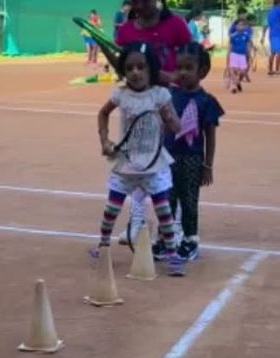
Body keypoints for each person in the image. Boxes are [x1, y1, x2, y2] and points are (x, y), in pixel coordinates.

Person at [94, 42, 186, 276]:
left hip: (154, 163)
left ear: (151, 68)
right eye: (129, 68)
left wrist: (170, 119)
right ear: (123, 71)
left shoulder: (160, 95)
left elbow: (177, 127)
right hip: (126, 162)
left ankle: (173, 254)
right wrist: (104, 140)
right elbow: (103, 113)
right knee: (111, 208)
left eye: (141, 67)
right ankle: (103, 246)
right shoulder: (121, 94)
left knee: (163, 210)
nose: (135, 72)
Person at [109, 0, 192, 246]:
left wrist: (173, 76)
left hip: (169, 101)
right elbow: (123, 68)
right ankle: (137, 222)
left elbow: (191, 60)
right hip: (138, 105)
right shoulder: (126, 31)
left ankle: (175, 225)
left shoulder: (176, 25)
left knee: (169, 165)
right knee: (137, 163)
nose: (140, 5)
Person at [153, 42, 224, 262]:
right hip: (168, 157)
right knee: (167, 199)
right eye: (179, 67)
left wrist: (208, 165)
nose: (182, 73)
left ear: (202, 71)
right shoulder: (169, 95)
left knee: (189, 200)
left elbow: (210, 135)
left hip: (192, 159)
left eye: (188, 68)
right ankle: (165, 238)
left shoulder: (207, 101)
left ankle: (190, 240)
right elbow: (161, 125)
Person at [261, 0, 280, 76]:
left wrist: (263, 36)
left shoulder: (270, 12)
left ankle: (270, 70)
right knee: (279, 52)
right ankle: (277, 70)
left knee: (273, 52)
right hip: (278, 34)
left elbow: (265, 25)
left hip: (271, 34)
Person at [229, 18, 252, 93]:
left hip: (243, 55)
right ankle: (234, 86)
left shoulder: (246, 36)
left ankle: (238, 81)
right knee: (234, 70)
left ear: (245, 27)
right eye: (239, 25)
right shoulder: (233, 36)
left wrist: (249, 56)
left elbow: (248, 47)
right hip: (234, 54)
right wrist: (228, 56)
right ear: (236, 26)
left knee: (243, 71)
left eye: (242, 25)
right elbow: (230, 48)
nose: (240, 26)